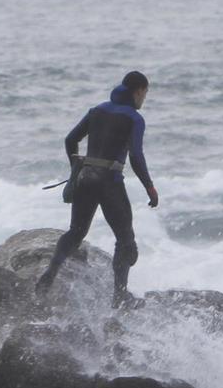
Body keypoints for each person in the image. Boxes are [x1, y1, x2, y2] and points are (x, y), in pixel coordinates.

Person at [36, 71, 160, 309]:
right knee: (125, 241)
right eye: (145, 93)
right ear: (139, 91)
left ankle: (50, 274)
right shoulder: (134, 118)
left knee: (76, 232)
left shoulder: (97, 111)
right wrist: (149, 187)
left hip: (85, 179)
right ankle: (120, 297)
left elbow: (70, 140)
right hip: (110, 182)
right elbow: (136, 156)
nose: (144, 99)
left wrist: (75, 167)